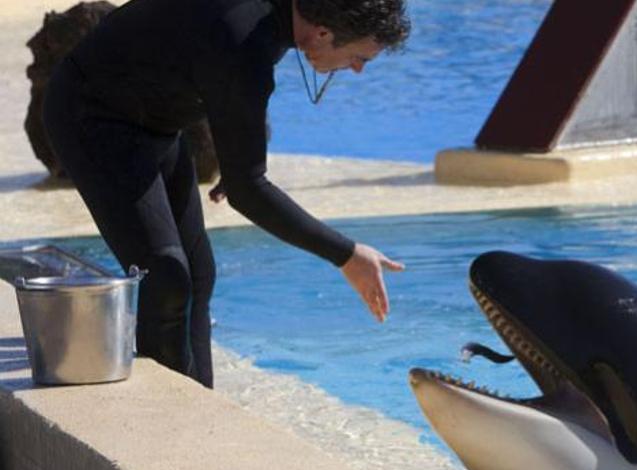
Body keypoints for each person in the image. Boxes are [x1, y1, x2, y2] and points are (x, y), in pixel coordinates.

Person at [42, 0, 411, 389]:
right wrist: (347, 255)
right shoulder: (246, 37)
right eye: (359, 58)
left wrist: (238, 152)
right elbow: (247, 191)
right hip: (92, 115)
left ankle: (200, 403)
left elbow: (217, 67)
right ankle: (166, 419)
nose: (356, 69)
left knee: (199, 274)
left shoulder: (278, 18)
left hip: (157, 123)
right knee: (166, 277)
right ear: (322, 32)